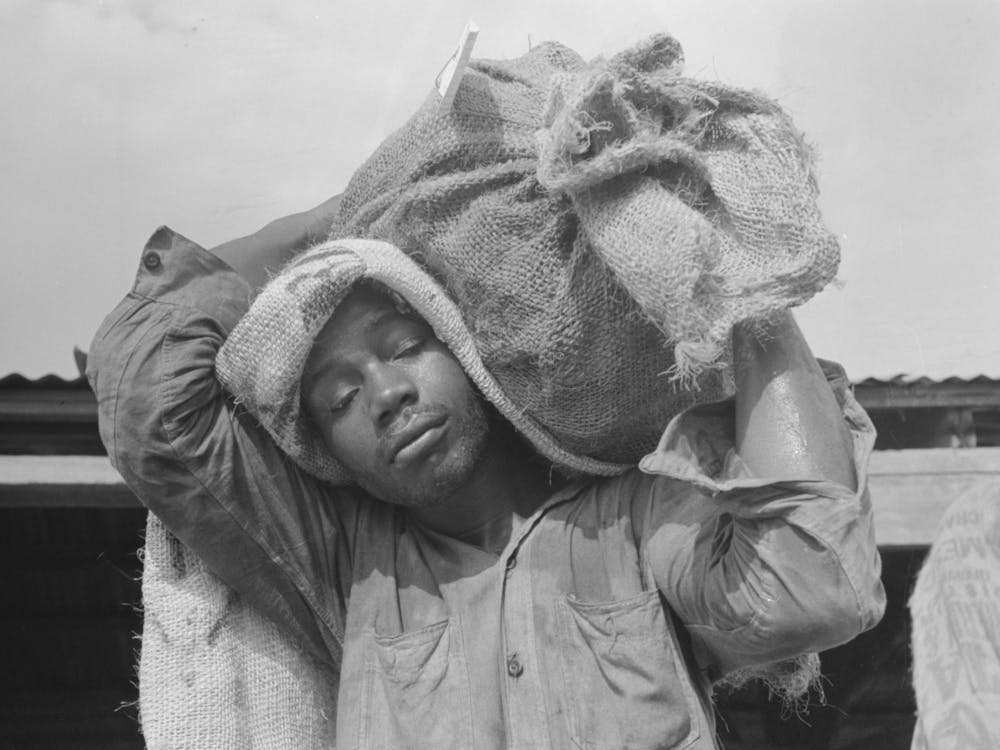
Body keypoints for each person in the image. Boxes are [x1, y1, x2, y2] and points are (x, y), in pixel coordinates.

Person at [87, 35, 886, 750]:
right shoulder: (341, 564)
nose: (386, 394)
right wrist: (355, 213)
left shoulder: (634, 522)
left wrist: (729, 274)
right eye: (337, 400)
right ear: (325, 456)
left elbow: (813, 588)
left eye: (403, 348)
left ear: (466, 347)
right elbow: (149, 401)